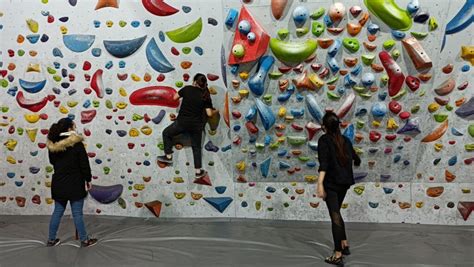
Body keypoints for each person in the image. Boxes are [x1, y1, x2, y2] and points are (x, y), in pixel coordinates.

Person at [316, 111, 361, 265]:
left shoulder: (324, 140)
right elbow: (356, 157)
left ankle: (337, 255)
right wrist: (354, 161)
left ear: (324, 126)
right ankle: (344, 243)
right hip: (344, 183)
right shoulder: (345, 140)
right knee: (337, 213)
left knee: (335, 216)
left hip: (332, 184)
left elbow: (324, 164)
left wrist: (320, 183)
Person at [46, 117, 97, 247]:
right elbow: (84, 164)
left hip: (59, 182)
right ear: (69, 128)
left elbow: (52, 162)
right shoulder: (77, 143)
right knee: (77, 213)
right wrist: (88, 179)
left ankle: (51, 240)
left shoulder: (53, 144)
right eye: (73, 125)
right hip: (75, 182)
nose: (75, 127)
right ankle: (84, 240)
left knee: (57, 212)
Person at [157, 73, 218, 178]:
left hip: (182, 123)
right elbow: (209, 114)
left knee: (166, 133)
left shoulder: (187, 89)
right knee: (196, 148)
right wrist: (216, 111)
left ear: (194, 81)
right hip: (196, 126)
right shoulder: (206, 95)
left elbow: (174, 98)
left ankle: (168, 156)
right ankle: (198, 172)